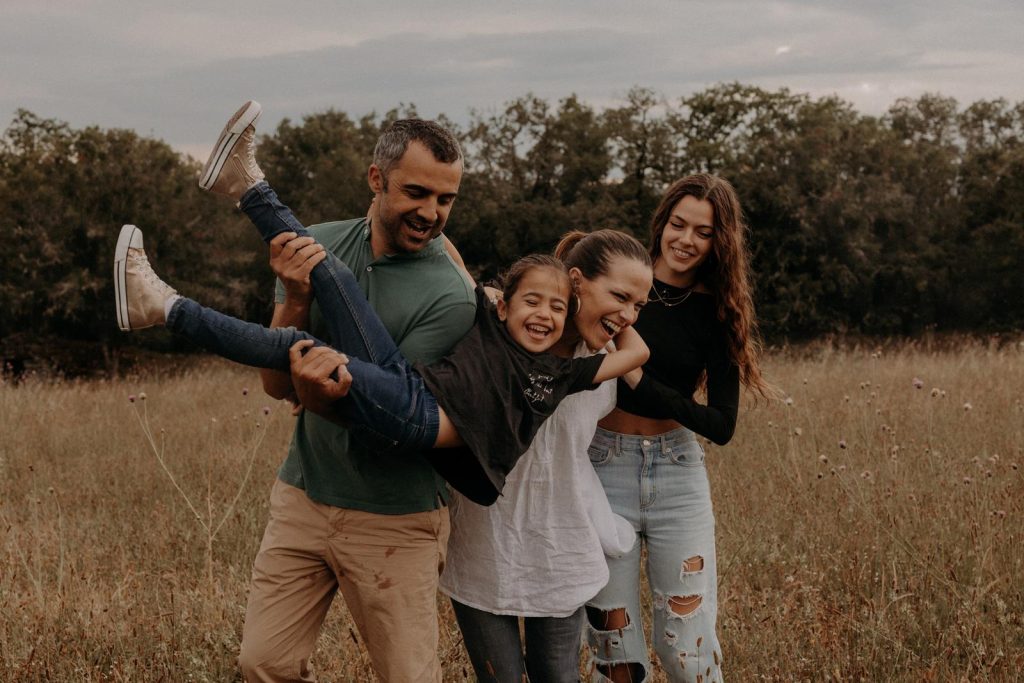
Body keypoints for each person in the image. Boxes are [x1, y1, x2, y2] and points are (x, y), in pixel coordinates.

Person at [161, 101, 473, 682]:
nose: (431, 212)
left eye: (445, 199)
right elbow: (277, 386)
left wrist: (322, 397)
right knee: (264, 664)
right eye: (417, 193)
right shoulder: (317, 243)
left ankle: (224, 220)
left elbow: (400, 418)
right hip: (303, 495)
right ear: (376, 179)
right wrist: (295, 298)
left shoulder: (451, 296)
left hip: (394, 518)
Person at [114, 213, 648, 503]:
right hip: (409, 384)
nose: (544, 315)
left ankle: (162, 306)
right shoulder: (490, 319)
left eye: (556, 309)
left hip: (418, 419)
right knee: (337, 279)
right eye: (533, 302)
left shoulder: (566, 372)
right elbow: (456, 263)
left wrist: (617, 315)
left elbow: (638, 349)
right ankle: (250, 189)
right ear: (506, 304)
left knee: (296, 347)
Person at [437, 229, 655, 683]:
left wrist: (615, 314)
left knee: (558, 676)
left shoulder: (596, 368)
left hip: (561, 552)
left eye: (638, 305)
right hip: (483, 548)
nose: (629, 312)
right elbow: (454, 268)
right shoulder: (501, 336)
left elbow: (648, 367)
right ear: (576, 282)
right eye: (620, 295)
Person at [583, 174, 772, 683]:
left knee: (688, 652)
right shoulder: (622, 288)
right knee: (614, 651)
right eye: (678, 224)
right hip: (602, 469)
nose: (686, 240)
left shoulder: (719, 311)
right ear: (662, 224)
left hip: (677, 474)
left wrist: (639, 374)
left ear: (720, 241)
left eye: (703, 232)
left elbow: (722, 425)